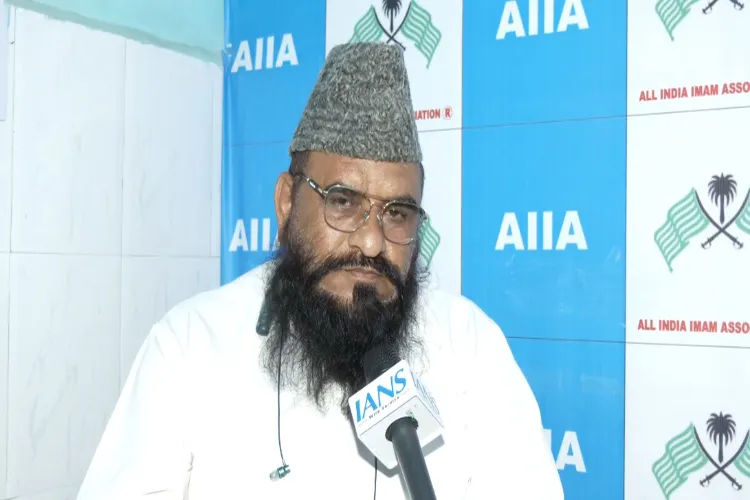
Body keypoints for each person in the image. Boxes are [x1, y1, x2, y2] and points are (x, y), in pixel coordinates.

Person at [76, 42, 564, 499]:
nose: (371, 242)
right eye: (343, 202)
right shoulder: (189, 347)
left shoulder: (470, 346)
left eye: (397, 213)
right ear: (287, 203)